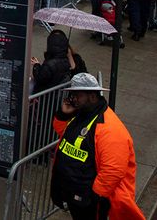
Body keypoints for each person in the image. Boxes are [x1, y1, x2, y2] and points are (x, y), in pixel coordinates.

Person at [50, 73, 144, 220]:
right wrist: (63, 115)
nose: (72, 99)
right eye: (71, 94)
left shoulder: (110, 128)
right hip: (76, 195)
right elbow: (64, 134)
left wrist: (94, 197)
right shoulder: (81, 114)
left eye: (77, 95)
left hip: (90, 201)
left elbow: (113, 170)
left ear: (92, 96)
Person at [31, 29, 87, 94]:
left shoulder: (76, 58)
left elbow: (79, 75)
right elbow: (47, 74)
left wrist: (70, 57)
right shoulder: (52, 58)